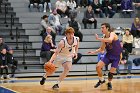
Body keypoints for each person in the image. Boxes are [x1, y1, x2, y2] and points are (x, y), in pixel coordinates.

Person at [88, 23, 122, 90]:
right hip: (109, 55)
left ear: (107, 28)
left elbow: (110, 40)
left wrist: (98, 39)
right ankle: (101, 80)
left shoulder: (112, 34)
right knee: (98, 67)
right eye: (101, 28)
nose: (101, 29)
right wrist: (93, 52)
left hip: (116, 56)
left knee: (110, 73)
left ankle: (109, 83)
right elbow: (102, 49)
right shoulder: (104, 38)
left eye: (103, 27)